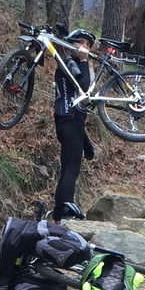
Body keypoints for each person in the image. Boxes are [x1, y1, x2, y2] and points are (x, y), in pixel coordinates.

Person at [50, 28, 97, 223]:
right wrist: (85, 61)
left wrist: (86, 143)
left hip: (68, 120)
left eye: (88, 45)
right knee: (72, 169)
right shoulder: (70, 62)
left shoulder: (69, 63)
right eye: (81, 43)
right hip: (69, 119)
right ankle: (65, 210)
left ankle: (59, 214)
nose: (85, 47)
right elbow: (84, 88)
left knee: (68, 167)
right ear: (71, 44)